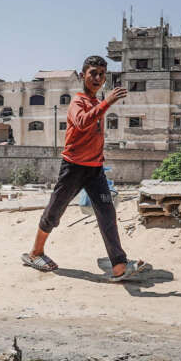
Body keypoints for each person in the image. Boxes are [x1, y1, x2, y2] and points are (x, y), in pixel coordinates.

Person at [22, 55, 148, 281]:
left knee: (107, 213)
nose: (98, 78)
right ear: (83, 76)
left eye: (102, 74)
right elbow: (82, 122)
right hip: (73, 168)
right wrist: (107, 102)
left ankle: (119, 266)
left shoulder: (96, 103)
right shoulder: (78, 102)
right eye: (93, 73)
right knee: (54, 212)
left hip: (94, 170)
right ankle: (35, 253)